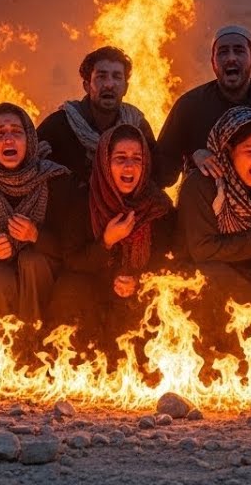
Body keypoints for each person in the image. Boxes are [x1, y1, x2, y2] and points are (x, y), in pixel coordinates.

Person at [49, 124, 175, 348]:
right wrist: (106, 241)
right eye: (120, 158)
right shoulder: (84, 201)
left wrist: (138, 280)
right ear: (105, 164)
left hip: (141, 293)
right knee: (69, 289)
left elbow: (170, 258)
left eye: (137, 158)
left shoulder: (158, 207)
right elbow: (73, 259)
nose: (129, 166)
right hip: (94, 288)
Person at [176, 107, 251, 349]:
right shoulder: (202, 186)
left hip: (248, 273)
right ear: (228, 151)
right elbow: (202, 251)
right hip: (200, 279)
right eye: (250, 151)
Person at [0, 103, 74, 329]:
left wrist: (36, 235)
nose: (8, 139)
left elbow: (71, 246)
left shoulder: (55, 179)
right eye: (0, 134)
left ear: (29, 140)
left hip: (42, 274)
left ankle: (35, 342)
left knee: (32, 260)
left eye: (17, 132)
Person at [154, 25, 251, 187]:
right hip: (202, 205)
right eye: (223, 52)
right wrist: (195, 156)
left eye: (239, 51)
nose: (231, 58)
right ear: (213, 62)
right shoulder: (189, 106)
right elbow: (162, 173)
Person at [36, 46, 155, 185]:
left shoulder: (137, 127)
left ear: (125, 88)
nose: (109, 84)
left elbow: (158, 175)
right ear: (86, 86)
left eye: (116, 76)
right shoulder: (59, 125)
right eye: (101, 76)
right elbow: (30, 170)